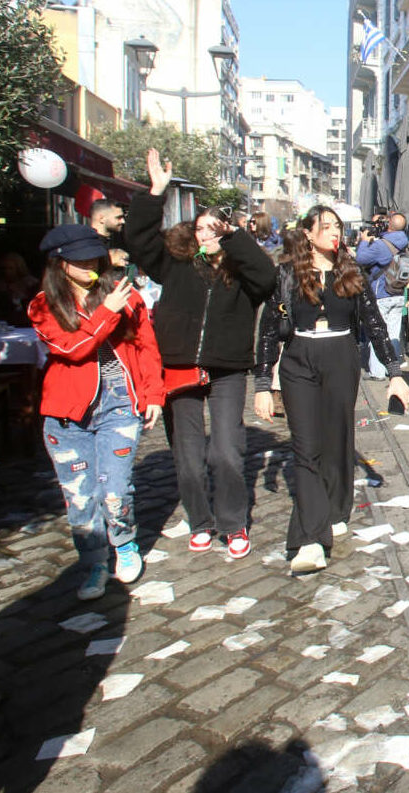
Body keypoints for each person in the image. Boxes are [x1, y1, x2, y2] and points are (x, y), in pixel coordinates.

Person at [125, 148, 276, 560]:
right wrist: (155, 192)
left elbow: (267, 278)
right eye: (201, 229)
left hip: (227, 368)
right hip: (178, 366)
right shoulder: (175, 263)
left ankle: (233, 522)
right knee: (189, 457)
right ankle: (200, 521)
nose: (206, 235)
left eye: (215, 229)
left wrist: (233, 238)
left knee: (226, 451)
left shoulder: (241, 269)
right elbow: (137, 240)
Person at [252, 205, 409, 573]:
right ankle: (309, 539)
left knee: (338, 438)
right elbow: (268, 330)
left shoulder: (349, 271)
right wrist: (262, 383)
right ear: (307, 233)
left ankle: (337, 507)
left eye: (337, 227)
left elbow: (373, 322)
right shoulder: (288, 274)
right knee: (306, 446)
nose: (334, 233)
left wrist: (394, 372)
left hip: (340, 355)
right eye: (325, 227)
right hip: (299, 359)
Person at [28, 225, 163, 600]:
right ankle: (94, 562)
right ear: (60, 264)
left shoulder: (125, 295)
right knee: (80, 497)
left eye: (94, 256)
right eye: (79, 259)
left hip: (119, 404)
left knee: (116, 488)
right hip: (67, 415)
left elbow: (146, 347)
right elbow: (73, 348)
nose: (89, 264)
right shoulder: (43, 304)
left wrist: (153, 395)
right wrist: (106, 312)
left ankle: (125, 546)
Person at [354, 211, 409, 377]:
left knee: (378, 332)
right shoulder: (406, 243)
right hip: (399, 292)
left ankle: (377, 372)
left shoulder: (382, 245)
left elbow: (361, 259)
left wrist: (364, 242)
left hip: (382, 293)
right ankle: (391, 368)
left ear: (389, 226)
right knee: (393, 335)